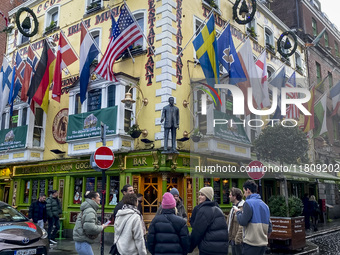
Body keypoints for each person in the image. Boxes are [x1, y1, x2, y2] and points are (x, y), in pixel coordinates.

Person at [234, 180, 272, 255]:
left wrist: (238, 212)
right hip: (263, 244)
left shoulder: (248, 203)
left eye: (244, 191)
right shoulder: (265, 205)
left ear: (248, 190)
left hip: (251, 243)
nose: (244, 194)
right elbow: (270, 227)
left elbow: (242, 221)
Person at [189, 187, 229, 255]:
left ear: (207, 197)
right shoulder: (218, 209)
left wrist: (190, 247)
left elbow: (197, 232)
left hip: (208, 249)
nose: (199, 197)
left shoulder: (203, 210)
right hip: (221, 249)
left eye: (202, 195)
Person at [227, 188, 245, 255]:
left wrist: (238, 239)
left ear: (234, 197)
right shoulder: (233, 208)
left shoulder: (243, 207)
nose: (229, 196)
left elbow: (242, 224)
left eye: (230, 195)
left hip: (239, 241)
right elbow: (229, 223)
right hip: (232, 239)